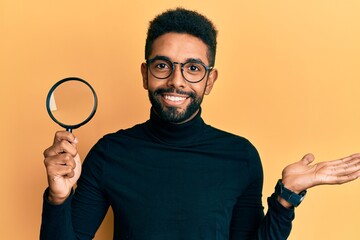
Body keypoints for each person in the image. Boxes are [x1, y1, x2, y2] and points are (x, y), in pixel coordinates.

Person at [40, 8, 360, 240]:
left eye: (192, 68)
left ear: (209, 80)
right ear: (145, 74)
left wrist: (286, 198)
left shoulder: (240, 157)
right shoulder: (111, 153)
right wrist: (58, 198)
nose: (176, 81)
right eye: (163, 65)